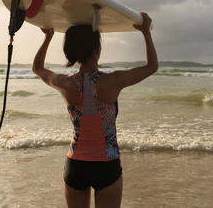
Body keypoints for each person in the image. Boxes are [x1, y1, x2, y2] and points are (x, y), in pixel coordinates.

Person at [32, 12, 157, 208]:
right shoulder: (113, 80)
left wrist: (48, 37)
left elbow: (37, 68)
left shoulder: (65, 83)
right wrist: (145, 32)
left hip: (76, 165)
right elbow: (152, 67)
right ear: (98, 50)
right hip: (106, 165)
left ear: (70, 51)